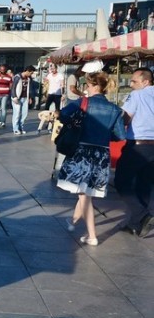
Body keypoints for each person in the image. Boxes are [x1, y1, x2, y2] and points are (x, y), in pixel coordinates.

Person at [55, 70, 124, 246]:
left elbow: (62, 115)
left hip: (81, 151)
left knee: (84, 195)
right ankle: (73, 222)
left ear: (91, 85)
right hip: (101, 154)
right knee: (85, 191)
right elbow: (119, 135)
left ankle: (92, 235)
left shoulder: (81, 102)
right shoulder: (115, 109)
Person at [114, 67, 154, 237]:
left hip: (138, 144)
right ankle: (135, 223)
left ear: (146, 81)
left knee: (121, 182)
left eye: (134, 81)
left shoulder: (137, 95)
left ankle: (143, 215)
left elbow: (125, 117)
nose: (131, 84)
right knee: (144, 185)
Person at [11, 66, 36, 135]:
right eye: (31, 73)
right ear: (27, 71)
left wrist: (30, 97)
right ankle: (15, 129)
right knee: (17, 114)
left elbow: (30, 88)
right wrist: (14, 97)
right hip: (17, 98)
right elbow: (13, 87)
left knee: (24, 114)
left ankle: (20, 128)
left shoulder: (28, 78)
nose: (31, 74)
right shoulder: (17, 77)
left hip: (25, 98)